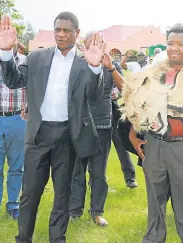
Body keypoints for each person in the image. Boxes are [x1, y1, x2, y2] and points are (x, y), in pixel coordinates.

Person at [0, 13, 105, 242]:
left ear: (77, 32)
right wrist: (6, 53)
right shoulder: (37, 57)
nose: (61, 34)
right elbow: (14, 81)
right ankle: (23, 238)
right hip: (38, 135)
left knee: (62, 195)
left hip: (68, 136)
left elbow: (95, 98)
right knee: (30, 194)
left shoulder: (85, 62)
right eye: (57, 30)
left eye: (66, 30)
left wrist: (95, 68)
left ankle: (58, 239)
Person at [123, 23, 183, 243]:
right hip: (154, 145)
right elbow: (140, 106)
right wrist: (133, 135)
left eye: (180, 44)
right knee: (154, 202)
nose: (174, 48)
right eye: (170, 43)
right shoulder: (155, 74)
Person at [69, 31, 124, 226]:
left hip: (102, 125)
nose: (94, 46)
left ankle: (97, 212)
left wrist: (111, 69)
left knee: (98, 172)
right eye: (90, 42)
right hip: (80, 125)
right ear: (83, 44)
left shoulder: (111, 64)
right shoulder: (76, 64)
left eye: (98, 42)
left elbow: (125, 88)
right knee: (77, 170)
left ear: (104, 44)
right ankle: (74, 210)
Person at [0, 37, 27, 228]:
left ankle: (13, 205)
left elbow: (35, 88)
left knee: (17, 167)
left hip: (19, 119)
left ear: (16, 40)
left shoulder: (26, 62)